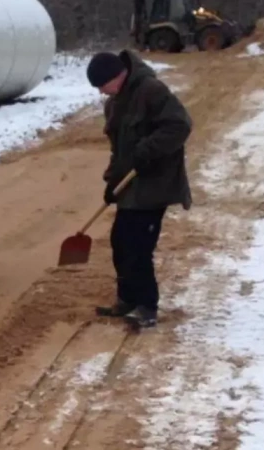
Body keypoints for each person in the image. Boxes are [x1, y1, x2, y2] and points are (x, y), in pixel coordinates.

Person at [86, 50, 192, 328]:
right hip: (130, 185)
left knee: (139, 247)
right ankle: (128, 299)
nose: (101, 92)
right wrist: (112, 182)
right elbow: (118, 150)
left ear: (118, 76)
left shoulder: (151, 90)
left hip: (155, 184)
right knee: (120, 242)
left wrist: (148, 151)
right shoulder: (114, 103)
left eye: (102, 85)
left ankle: (147, 306)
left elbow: (180, 125)